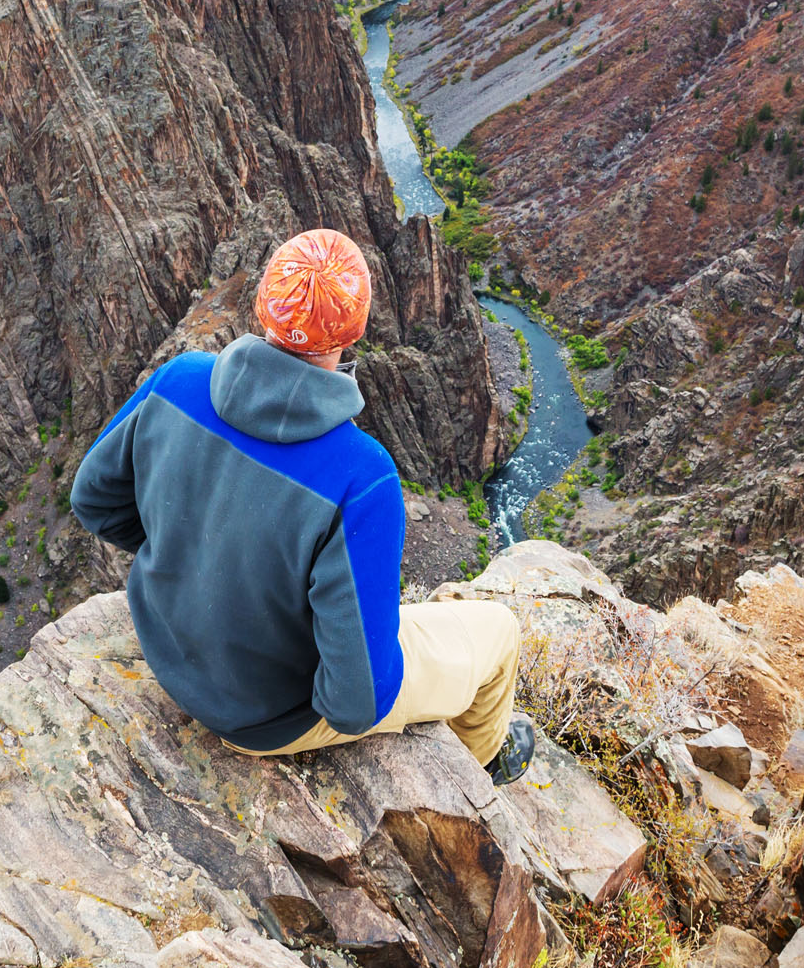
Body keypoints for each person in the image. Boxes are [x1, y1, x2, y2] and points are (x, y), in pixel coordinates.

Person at [70, 228, 537, 785]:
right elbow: (357, 702)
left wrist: (186, 556)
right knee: (500, 631)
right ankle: (484, 765)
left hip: (165, 649)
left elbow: (92, 500)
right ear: (354, 330)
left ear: (264, 304)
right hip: (266, 716)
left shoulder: (178, 381)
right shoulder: (362, 476)